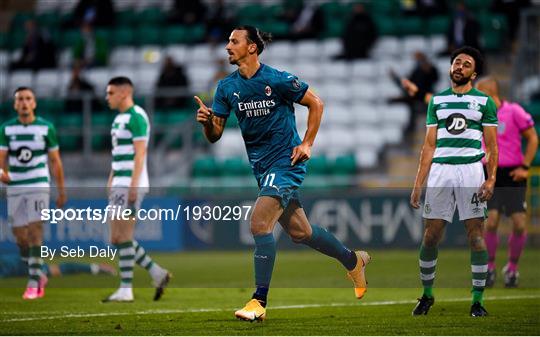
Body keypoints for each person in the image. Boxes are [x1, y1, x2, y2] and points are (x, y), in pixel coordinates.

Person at [195, 26, 371, 322]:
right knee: (302, 232)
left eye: (234, 41)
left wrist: (307, 143)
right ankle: (353, 260)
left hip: (286, 161)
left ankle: (258, 301)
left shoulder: (277, 79)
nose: (227, 46)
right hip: (261, 167)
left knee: (259, 224)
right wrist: (206, 122)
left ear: (252, 47)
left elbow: (316, 103)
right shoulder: (225, 88)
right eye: (227, 41)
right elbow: (215, 135)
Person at [410, 46, 498, 317]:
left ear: (474, 73)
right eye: (457, 62)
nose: (459, 66)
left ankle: (477, 301)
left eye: (466, 64)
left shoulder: (484, 102)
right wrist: (418, 183)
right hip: (440, 172)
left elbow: (493, 148)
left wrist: (491, 178)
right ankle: (426, 295)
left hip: (471, 171)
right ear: (450, 68)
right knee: (430, 236)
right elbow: (428, 147)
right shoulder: (437, 101)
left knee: (476, 238)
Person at [102, 77, 171, 303]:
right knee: (116, 237)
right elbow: (117, 154)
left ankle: (126, 289)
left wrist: (133, 184)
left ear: (123, 93)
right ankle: (156, 272)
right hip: (119, 182)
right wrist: (111, 179)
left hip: (130, 183)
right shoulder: (118, 119)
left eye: (110, 93)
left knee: (123, 236)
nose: (107, 97)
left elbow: (140, 153)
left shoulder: (137, 116)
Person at [0, 87, 67, 300]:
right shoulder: (6, 129)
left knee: (35, 232)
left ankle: (33, 282)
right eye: (20, 99)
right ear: (15, 104)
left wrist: (61, 190)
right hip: (15, 186)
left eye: (28, 99)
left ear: (34, 103)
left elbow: (55, 161)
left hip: (38, 183)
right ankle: (38, 272)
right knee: (20, 237)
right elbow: (1, 157)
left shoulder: (46, 128)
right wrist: (2, 173)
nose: (24, 103)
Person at [475, 77, 538, 288]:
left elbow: (533, 138)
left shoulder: (514, 112)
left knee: (520, 225)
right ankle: (490, 268)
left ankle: (512, 268)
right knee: (491, 221)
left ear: (490, 92)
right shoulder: (478, 116)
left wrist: (525, 166)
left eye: (479, 93)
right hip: (488, 172)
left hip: (512, 175)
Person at [0, 253, 116, 278]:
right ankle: (95, 268)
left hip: (22, 264)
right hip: (18, 262)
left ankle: (96, 268)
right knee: (58, 269)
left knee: (57, 270)